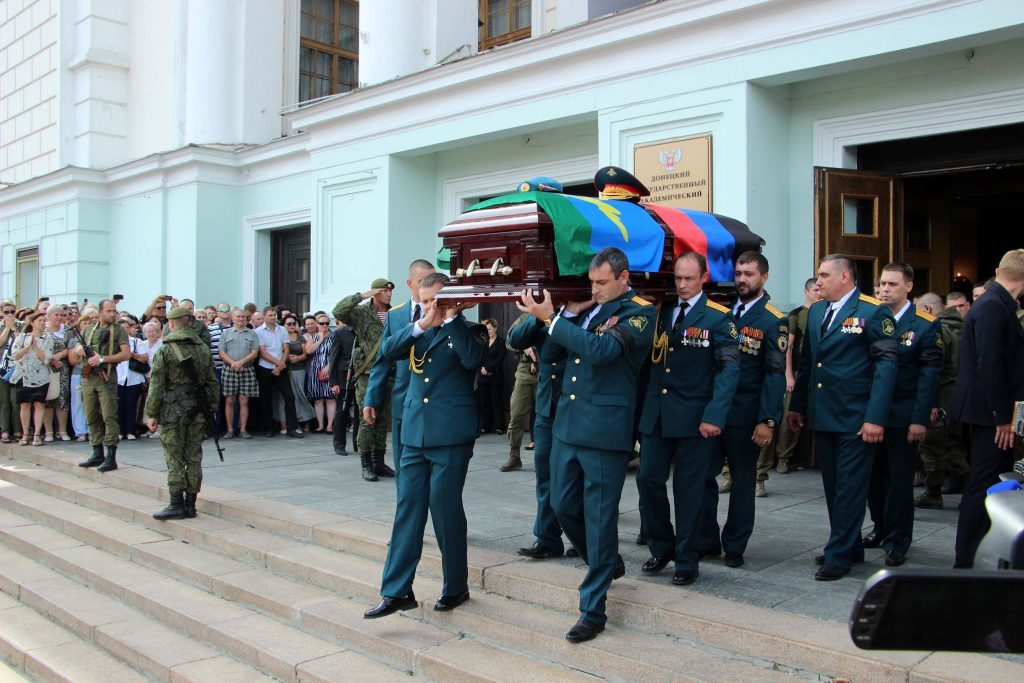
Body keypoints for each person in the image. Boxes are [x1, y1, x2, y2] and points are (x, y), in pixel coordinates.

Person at [516, 246, 656, 643]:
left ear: (624, 277)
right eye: (591, 282)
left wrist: (555, 319)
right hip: (568, 426)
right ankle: (607, 560)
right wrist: (557, 315)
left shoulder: (640, 312)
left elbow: (601, 351)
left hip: (605, 432)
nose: (594, 289)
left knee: (599, 520)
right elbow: (551, 353)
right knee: (561, 506)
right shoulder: (585, 310)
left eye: (601, 282)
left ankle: (592, 610)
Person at [363, 272, 485, 619]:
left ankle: (455, 585)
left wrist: (450, 319)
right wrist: (421, 325)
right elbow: (387, 351)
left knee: (444, 508)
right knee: (408, 507)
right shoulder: (414, 328)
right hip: (414, 431)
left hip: (450, 433)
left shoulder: (469, 329)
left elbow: (473, 361)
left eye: (438, 300)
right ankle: (397, 590)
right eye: (427, 300)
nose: (431, 306)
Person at [788, 254, 898, 581]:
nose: (818, 281)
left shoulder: (872, 310)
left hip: (856, 416)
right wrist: (797, 406)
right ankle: (849, 544)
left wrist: (876, 417)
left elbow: (886, 365)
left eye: (824, 275)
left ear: (845, 276)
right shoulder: (818, 311)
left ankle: (838, 555)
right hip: (824, 413)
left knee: (850, 487)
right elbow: (808, 362)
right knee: (834, 485)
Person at [637, 252, 740, 586]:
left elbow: (729, 370)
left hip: (696, 418)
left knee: (689, 491)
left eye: (688, 279)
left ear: (703, 277)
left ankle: (687, 558)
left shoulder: (719, 318)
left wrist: (715, 415)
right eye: (677, 278)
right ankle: (662, 547)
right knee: (648, 481)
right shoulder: (659, 311)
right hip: (657, 416)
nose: (681, 285)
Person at [698, 251, 786, 569]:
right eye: (738, 273)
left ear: (763, 277)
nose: (741, 279)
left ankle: (735, 544)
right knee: (704, 477)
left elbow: (775, 374)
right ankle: (706, 540)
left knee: (743, 481)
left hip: (746, 414)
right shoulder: (720, 309)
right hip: (713, 411)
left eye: (748, 274)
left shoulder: (773, 320)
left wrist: (768, 419)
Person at [863, 263, 941, 567]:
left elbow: (929, 375)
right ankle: (880, 528)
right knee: (873, 478)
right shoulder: (872, 317)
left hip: (903, 414)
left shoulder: (924, 324)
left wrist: (919, 419)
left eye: (892, 284)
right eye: (881, 284)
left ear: (909, 286)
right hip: (872, 413)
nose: (884, 290)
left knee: (899, 481)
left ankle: (898, 540)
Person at [950, 249, 1024, 568]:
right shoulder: (995, 307)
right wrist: (1002, 417)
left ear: (999, 270)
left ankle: (975, 551)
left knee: (990, 480)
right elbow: (990, 365)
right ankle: (965, 559)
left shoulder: (996, 302)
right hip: (989, 412)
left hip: (988, 410)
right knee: (984, 483)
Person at [145, 307, 221, 520]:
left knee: (174, 455)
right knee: (194, 455)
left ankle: (176, 502)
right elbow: (212, 382)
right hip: (198, 409)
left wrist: (151, 413)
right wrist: (211, 409)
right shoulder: (203, 348)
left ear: (171, 323)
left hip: (173, 410)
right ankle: (191, 504)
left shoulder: (165, 349)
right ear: (188, 323)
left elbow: (156, 384)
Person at [363, 259, 436, 474]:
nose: (427, 285)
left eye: (431, 280)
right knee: (404, 467)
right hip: (403, 400)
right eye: (423, 280)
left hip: (434, 400)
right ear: (410, 282)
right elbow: (382, 361)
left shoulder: (441, 312)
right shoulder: (395, 315)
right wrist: (371, 399)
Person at [507, 311, 568, 558]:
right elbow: (515, 339)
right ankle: (547, 537)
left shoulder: (586, 312)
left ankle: (581, 536)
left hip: (574, 405)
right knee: (544, 473)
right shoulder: (539, 318)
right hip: (546, 407)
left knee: (578, 476)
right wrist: (539, 314)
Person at [335, 278, 396, 481]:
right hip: (368, 373)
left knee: (383, 420)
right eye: (384, 291)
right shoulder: (361, 313)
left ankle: (379, 461)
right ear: (375, 292)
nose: (388, 294)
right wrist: (361, 296)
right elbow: (339, 311)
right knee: (367, 419)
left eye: (390, 291)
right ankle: (366, 463)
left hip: (390, 372)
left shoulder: (394, 313)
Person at [74, 299, 131, 471]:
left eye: (114, 311)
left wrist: (102, 359)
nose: (112, 314)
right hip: (88, 377)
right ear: (100, 312)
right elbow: (77, 349)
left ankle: (110, 456)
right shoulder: (89, 329)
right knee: (91, 415)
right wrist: (82, 350)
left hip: (106, 376)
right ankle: (96, 452)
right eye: (109, 311)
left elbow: (126, 354)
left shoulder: (119, 331)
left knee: (108, 416)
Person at [254, 306, 302, 438]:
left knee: (289, 396)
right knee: (266, 399)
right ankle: (269, 428)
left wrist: (280, 366)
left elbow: (286, 349)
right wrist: (277, 364)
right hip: (265, 368)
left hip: (281, 367)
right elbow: (262, 352)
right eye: (270, 315)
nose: (273, 317)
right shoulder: (258, 331)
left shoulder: (282, 330)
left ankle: (292, 428)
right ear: (264, 317)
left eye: (274, 315)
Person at [10, 312, 54, 446]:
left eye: (44, 320)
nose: (42, 323)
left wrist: (36, 347)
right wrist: (28, 347)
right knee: (24, 405)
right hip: (24, 375)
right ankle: (25, 434)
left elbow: (46, 359)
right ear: (33, 322)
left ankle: (37, 434)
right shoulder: (22, 337)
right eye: (40, 320)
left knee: (39, 404)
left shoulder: (48, 339)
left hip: (41, 376)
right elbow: (15, 356)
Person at [501, 317, 539, 472]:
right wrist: (525, 347)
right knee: (516, 414)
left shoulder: (555, 311)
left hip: (548, 370)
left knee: (550, 415)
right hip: (524, 371)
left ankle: (551, 457)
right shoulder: (525, 318)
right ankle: (514, 456)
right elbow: (509, 341)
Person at [220, 308, 260, 439]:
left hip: (246, 369)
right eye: (238, 317)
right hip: (229, 368)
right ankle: (230, 429)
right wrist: (233, 363)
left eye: (243, 317)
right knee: (229, 399)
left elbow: (254, 352)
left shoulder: (252, 333)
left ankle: (243, 429)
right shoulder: (226, 333)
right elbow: (221, 352)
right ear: (233, 318)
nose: (241, 319)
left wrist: (241, 363)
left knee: (244, 400)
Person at [275, 314, 315, 432]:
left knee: (299, 396)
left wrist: (298, 358)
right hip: (284, 370)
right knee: (285, 398)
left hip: (299, 370)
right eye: (289, 324)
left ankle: (302, 422)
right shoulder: (280, 337)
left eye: (294, 323)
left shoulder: (300, 337)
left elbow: (305, 353)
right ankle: (284, 424)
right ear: (283, 325)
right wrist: (286, 358)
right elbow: (276, 352)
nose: (292, 326)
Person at [116, 315, 149, 440]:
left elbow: (144, 358)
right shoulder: (114, 342)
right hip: (118, 378)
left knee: (131, 405)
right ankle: (120, 431)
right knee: (119, 406)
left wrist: (131, 355)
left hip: (133, 378)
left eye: (126, 327)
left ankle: (130, 430)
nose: (124, 330)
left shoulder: (136, 341)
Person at [42, 305, 72, 441]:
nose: (59, 317)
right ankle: (48, 431)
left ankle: (62, 431)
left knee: (63, 399)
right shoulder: (43, 331)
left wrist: (60, 355)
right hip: (46, 368)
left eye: (61, 315)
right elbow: (40, 349)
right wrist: (52, 360)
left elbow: (71, 347)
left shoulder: (67, 330)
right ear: (48, 316)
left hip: (63, 368)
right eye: (56, 315)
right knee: (48, 399)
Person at [66, 311, 96, 442]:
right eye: (85, 323)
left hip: (93, 375)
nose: (88, 325)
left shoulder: (95, 338)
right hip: (78, 374)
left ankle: (92, 430)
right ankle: (80, 431)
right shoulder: (74, 341)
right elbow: (73, 360)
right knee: (78, 403)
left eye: (90, 323)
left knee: (91, 403)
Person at [328, 317, 356, 455]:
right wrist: (333, 382)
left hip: (361, 375)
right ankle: (339, 444)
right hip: (344, 375)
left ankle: (359, 444)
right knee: (342, 410)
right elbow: (333, 358)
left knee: (360, 411)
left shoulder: (365, 331)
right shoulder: (340, 333)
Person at [304, 313, 336, 433]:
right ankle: (320, 425)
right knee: (318, 399)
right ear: (317, 324)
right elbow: (308, 350)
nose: (324, 325)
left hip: (329, 368)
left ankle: (330, 425)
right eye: (322, 323)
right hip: (315, 369)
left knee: (330, 398)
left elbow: (336, 355)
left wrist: (328, 368)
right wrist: (321, 339)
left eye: (327, 323)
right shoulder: (313, 337)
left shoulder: (334, 337)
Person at [477, 318, 506, 435]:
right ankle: (485, 426)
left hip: (495, 376)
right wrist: (482, 368)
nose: (488, 331)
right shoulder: (481, 341)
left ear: (495, 328)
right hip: (482, 376)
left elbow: (500, 359)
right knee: (484, 402)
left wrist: (488, 369)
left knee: (496, 401)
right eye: (486, 329)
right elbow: (477, 357)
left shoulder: (501, 342)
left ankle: (499, 426)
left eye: (489, 329)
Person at [0, 299, 23, 442]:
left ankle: (17, 430)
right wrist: (7, 328)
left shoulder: (21, 326)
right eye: (6, 312)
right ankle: (5, 430)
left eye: (12, 312)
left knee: (16, 400)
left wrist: (13, 328)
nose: (9, 315)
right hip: (2, 368)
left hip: (17, 369)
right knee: (4, 401)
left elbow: (21, 343)